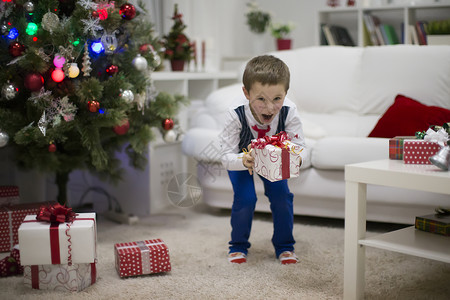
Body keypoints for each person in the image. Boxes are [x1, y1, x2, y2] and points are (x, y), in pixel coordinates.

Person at [219, 55, 308, 265]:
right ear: (246, 93)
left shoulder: (289, 111)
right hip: (242, 158)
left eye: (277, 99)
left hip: (274, 159)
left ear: (286, 93)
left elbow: (301, 147)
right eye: (261, 99)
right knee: (246, 199)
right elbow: (225, 157)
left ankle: (285, 246)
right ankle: (238, 245)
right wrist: (244, 160)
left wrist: (294, 158)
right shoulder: (235, 114)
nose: (269, 108)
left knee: (282, 196)